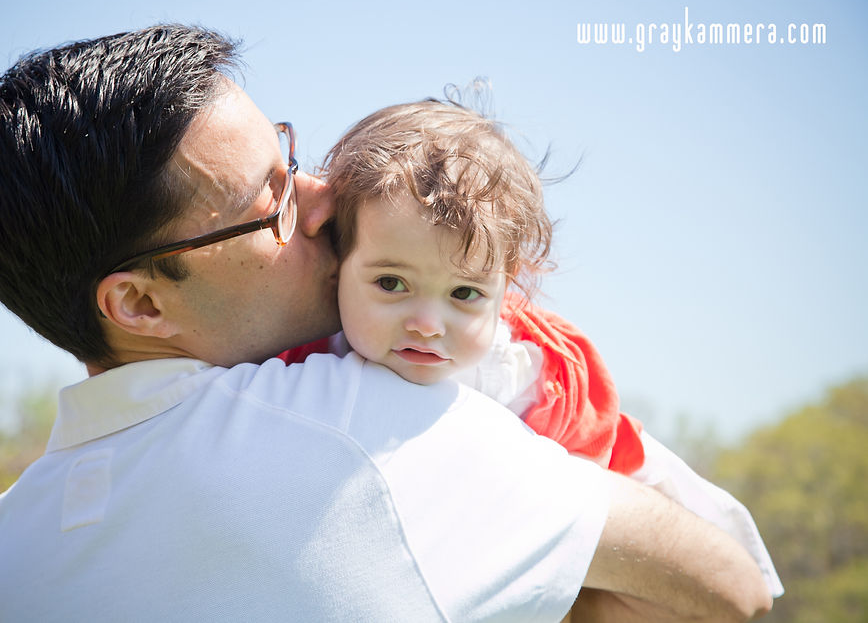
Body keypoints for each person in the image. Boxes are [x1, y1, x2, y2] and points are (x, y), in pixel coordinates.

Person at [0, 24, 772, 622]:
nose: (324, 198)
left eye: (291, 157)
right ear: (138, 302)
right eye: (270, 200)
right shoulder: (366, 425)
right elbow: (731, 588)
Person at [314, 97, 783, 599]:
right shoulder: (308, 355)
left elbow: (607, 462)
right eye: (391, 283)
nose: (428, 324)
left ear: (504, 289)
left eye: (465, 294)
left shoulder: (526, 376)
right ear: (336, 261)